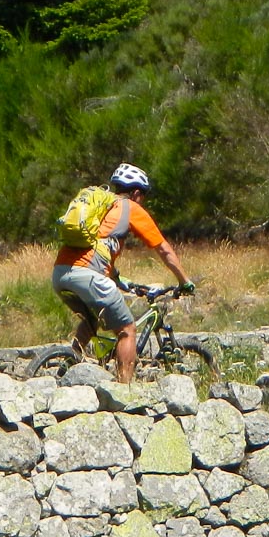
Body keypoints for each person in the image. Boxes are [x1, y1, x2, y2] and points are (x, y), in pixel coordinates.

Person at [52, 163, 193, 383]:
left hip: (60, 274)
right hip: (87, 275)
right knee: (127, 329)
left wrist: (118, 279)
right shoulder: (131, 208)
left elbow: (97, 247)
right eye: (143, 196)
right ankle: (124, 389)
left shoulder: (102, 206)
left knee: (91, 319)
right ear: (137, 193)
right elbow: (164, 249)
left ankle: (69, 364)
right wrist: (184, 281)